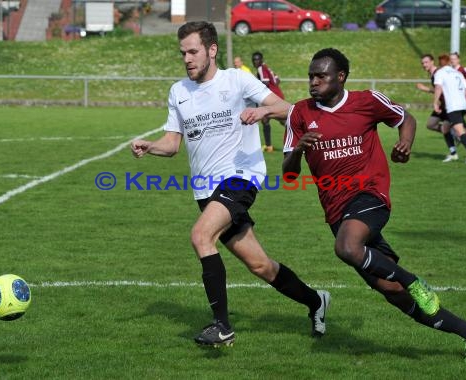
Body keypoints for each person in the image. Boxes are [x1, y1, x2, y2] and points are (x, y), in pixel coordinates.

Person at [282, 48, 466, 363]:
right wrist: (298, 150)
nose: (313, 81)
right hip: (336, 211)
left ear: (340, 77)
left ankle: (415, 281)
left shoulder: (367, 101)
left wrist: (405, 142)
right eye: (311, 76)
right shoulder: (299, 113)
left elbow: (405, 118)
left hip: (370, 195)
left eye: (321, 76)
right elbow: (289, 173)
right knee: (393, 294)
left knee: (348, 249)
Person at [130, 21, 329, 348]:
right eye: (183, 53)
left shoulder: (236, 80)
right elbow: (172, 143)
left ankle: (222, 326)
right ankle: (316, 301)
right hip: (206, 192)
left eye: (193, 51)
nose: (187, 59)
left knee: (200, 235)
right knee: (260, 265)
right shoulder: (178, 92)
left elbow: (288, 109)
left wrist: (262, 111)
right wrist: (150, 146)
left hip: (241, 177)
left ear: (212, 50)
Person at [434, 54, 466, 164]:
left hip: (453, 105)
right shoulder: (458, 73)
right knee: (445, 127)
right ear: (449, 62)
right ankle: (453, 153)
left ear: (439, 63)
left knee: (459, 131)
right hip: (462, 104)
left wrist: (435, 102)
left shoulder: (440, 73)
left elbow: (438, 87)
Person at [252, 51, 284, 153]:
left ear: (261, 60)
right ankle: (269, 146)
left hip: (273, 99)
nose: (255, 62)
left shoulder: (261, 68)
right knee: (266, 120)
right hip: (278, 97)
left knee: (285, 121)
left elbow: (265, 82)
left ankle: (301, 137)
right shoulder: (267, 68)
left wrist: (254, 85)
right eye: (254, 60)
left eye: (257, 59)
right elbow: (277, 80)